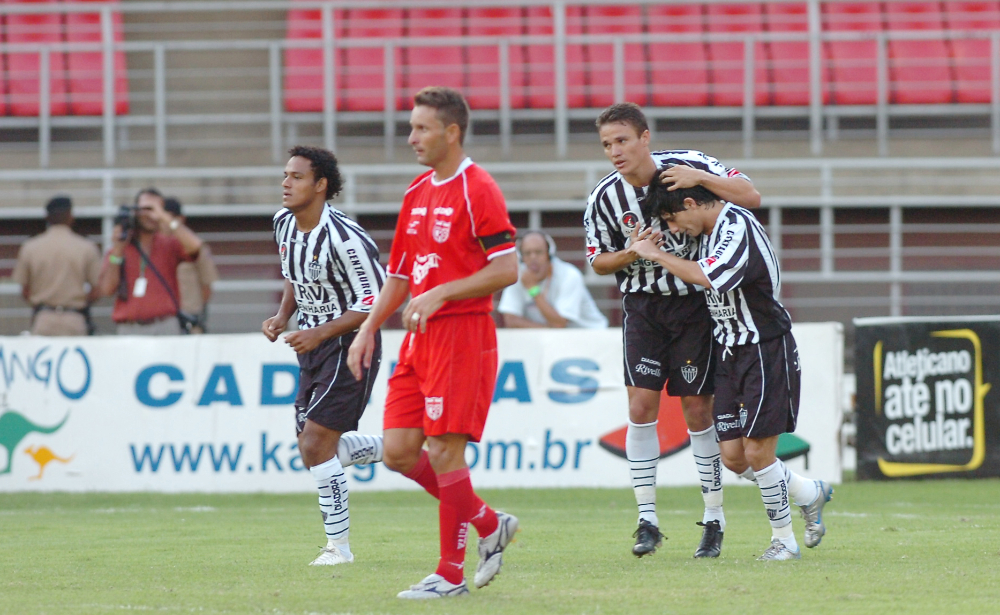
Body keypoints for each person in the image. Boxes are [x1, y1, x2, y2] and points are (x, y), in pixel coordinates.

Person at [347, 86, 520, 599]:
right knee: (400, 452)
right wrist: (367, 327)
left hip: (463, 335)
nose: (412, 138)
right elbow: (399, 274)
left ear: (452, 132)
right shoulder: (416, 192)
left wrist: (443, 290)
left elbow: (506, 268)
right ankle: (489, 523)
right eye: (411, 127)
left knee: (446, 451)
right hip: (419, 340)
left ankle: (449, 575)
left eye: (422, 128)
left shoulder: (478, 188)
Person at [583, 102, 761, 559]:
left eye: (622, 140)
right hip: (642, 306)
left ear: (645, 137)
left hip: (695, 305)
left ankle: (714, 519)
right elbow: (597, 260)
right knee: (641, 404)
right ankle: (647, 519)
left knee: (697, 410)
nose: (615, 152)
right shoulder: (604, 196)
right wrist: (632, 253)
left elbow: (751, 195)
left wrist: (700, 180)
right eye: (607, 144)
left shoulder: (692, 164)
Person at [632, 176, 833, 561]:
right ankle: (810, 492)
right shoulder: (704, 232)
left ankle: (784, 542)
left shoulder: (736, 225)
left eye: (673, 220)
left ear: (692, 203)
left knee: (758, 452)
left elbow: (708, 277)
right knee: (734, 458)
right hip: (728, 352)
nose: (674, 230)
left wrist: (655, 255)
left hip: (763, 348)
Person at [262, 145, 387, 567]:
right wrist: (283, 316)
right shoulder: (283, 224)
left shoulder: (346, 238)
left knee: (314, 443)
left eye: (296, 177)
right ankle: (402, 447)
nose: (285, 183)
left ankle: (339, 549)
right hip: (314, 345)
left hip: (351, 345)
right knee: (315, 447)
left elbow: (376, 302)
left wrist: (318, 332)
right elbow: (294, 276)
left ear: (321, 186)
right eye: (285, 175)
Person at [97, 188, 202, 335]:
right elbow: (107, 289)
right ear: (136, 211)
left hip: (164, 325)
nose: (151, 215)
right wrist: (117, 251)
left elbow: (195, 246)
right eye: (146, 208)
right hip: (130, 327)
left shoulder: (168, 243)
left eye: (156, 209)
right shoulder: (122, 245)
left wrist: (164, 217)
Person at [13, 195, 101, 336]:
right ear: (70, 216)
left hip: (44, 317)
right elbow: (97, 289)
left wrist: (42, 302)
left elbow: (24, 290)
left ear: (47, 217)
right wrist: (81, 301)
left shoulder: (30, 247)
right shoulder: (86, 247)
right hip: (75, 317)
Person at [497, 230, 608, 329]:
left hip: (592, 335)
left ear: (549, 254)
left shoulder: (569, 275)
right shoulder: (518, 276)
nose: (533, 258)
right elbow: (511, 320)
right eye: (527, 253)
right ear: (521, 257)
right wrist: (546, 329)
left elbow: (559, 323)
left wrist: (533, 289)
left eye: (538, 252)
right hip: (556, 340)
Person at [163, 197, 219, 334]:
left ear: (180, 218)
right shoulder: (153, 247)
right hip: (162, 320)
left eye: (169, 218)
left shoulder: (195, 246)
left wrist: (194, 312)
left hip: (189, 319)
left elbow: (207, 286)